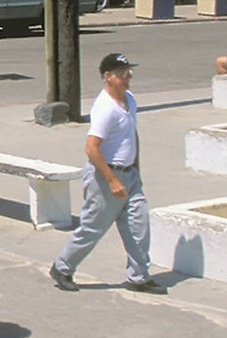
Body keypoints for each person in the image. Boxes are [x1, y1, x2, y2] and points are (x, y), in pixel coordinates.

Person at [48, 53, 167, 294]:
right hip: (105, 177)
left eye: (129, 72)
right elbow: (91, 148)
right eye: (122, 73)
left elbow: (132, 136)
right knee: (93, 228)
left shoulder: (130, 100)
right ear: (108, 77)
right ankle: (62, 267)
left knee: (139, 226)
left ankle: (139, 277)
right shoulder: (105, 109)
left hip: (130, 175)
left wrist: (136, 169)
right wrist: (112, 180)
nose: (128, 77)